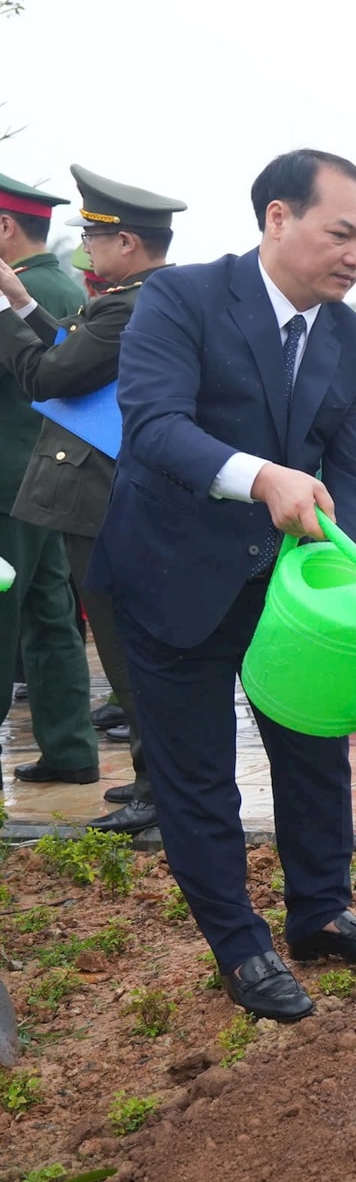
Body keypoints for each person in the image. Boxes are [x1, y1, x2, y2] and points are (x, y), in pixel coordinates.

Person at [91, 149, 356, 1023]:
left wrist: (333, 569)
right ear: (278, 218)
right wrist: (264, 477)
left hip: (286, 593)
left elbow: (352, 470)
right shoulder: (182, 298)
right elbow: (153, 425)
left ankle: (321, 913)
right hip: (169, 577)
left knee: (316, 751)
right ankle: (242, 949)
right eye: (340, 233)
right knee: (199, 781)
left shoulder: (350, 339)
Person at [0, 166, 186, 832]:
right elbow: (74, 347)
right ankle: (149, 776)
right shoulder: (152, 297)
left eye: (97, 238)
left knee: (124, 647)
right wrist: (21, 302)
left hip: (106, 495)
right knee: (131, 644)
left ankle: (160, 791)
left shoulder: (128, 305)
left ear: (128, 244)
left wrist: (1, 312)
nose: (88, 249)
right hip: (124, 493)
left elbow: (50, 376)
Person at [0, 171, 100, 790]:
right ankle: (69, 749)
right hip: (54, 482)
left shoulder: (14, 295)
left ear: (5, 227)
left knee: (12, 614)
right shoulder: (65, 286)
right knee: (50, 613)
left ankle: (68, 750)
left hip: (6, 483)